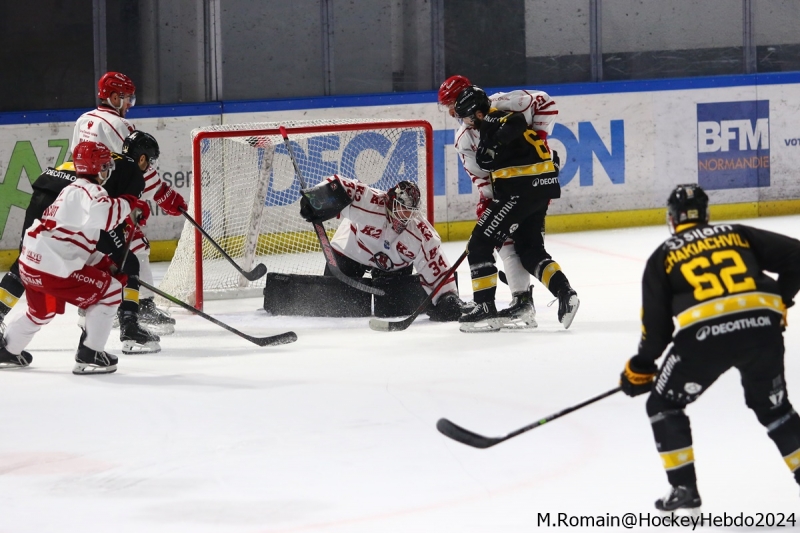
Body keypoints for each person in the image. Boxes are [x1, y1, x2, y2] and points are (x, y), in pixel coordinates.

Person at [620, 184, 800, 511]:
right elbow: (797, 255)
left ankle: (684, 490)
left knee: (663, 403)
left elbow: (656, 330)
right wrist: (781, 300)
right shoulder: (737, 233)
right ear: (706, 215)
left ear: (672, 218)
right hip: (762, 329)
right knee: (776, 410)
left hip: (704, 336)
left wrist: (641, 365)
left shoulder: (664, 254)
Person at [0, 132, 162, 353]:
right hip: (77, 198)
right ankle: (128, 325)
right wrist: (132, 207)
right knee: (127, 263)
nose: (149, 167)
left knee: (28, 262)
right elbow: (113, 214)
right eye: (149, 161)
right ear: (142, 158)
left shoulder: (101, 161)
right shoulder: (131, 170)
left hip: (45, 191)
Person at [453, 86, 578, 332]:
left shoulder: (493, 120)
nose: (465, 122)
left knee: (479, 245)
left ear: (478, 114)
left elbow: (514, 124)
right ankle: (565, 293)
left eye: (466, 117)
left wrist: (493, 143)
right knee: (530, 250)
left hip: (519, 190)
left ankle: (484, 310)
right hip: (542, 188)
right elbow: (518, 124)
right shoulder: (501, 117)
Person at [72, 72, 186, 334]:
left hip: (89, 197)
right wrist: (164, 195)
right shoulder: (118, 125)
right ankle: (141, 306)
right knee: (136, 247)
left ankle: (90, 305)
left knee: (102, 252)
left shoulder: (83, 120)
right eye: (127, 99)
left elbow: (76, 159)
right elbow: (138, 166)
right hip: (112, 200)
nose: (129, 105)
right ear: (114, 97)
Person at [299, 175, 464, 321]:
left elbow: (434, 261)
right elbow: (345, 186)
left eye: (411, 212)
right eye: (403, 210)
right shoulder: (371, 203)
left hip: (392, 265)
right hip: (352, 250)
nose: (407, 217)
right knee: (332, 302)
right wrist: (318, 198)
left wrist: (447, 296)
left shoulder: (420, 232)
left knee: (394, 308)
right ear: (391, 202)